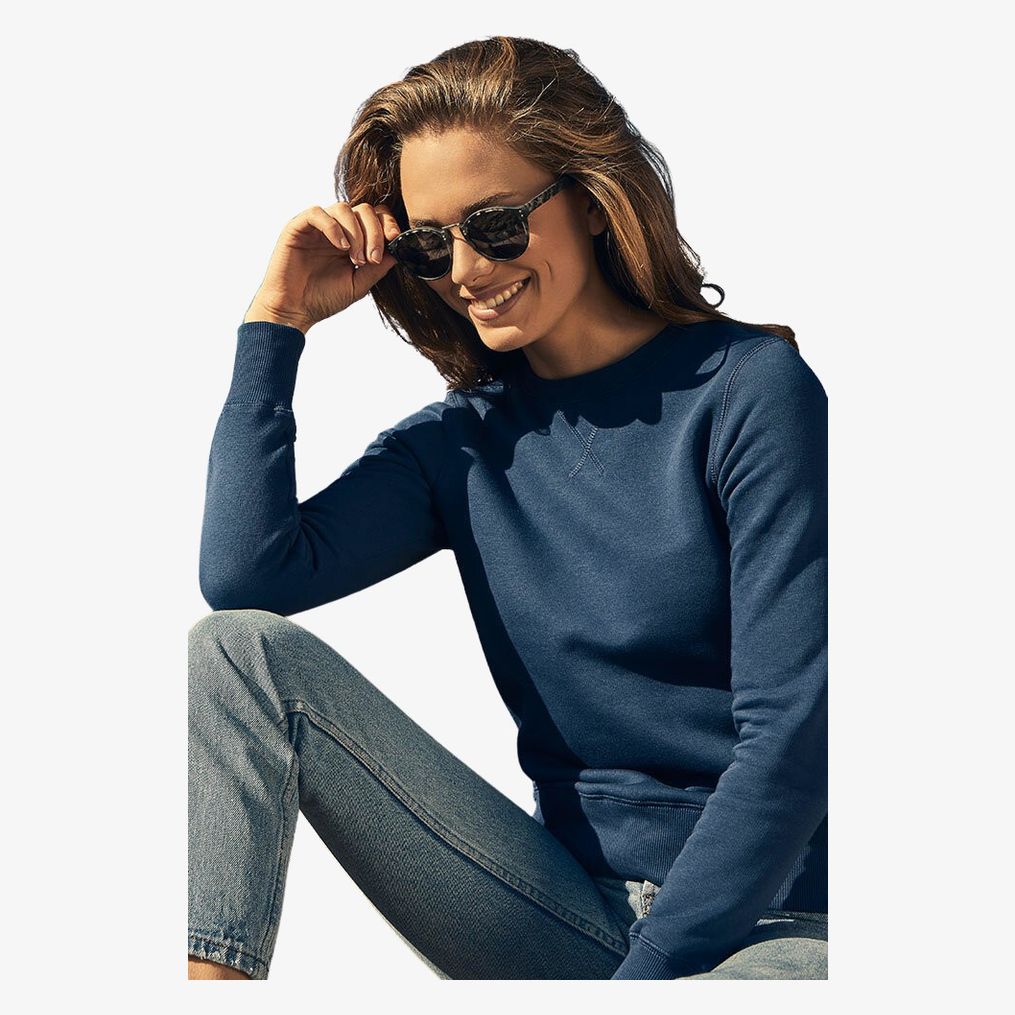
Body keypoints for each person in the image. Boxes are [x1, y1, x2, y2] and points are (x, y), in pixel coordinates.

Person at [188, 35, 828, 981]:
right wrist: (274, 325)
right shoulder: (460, 443)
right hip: (561, 909)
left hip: (772, 921)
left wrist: (645, 980)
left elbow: (794, 734)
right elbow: (246, 576)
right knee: (233, 651)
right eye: (427, 243)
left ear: (593, 199)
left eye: (493, 225)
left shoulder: (748, 392)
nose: (463, 270)